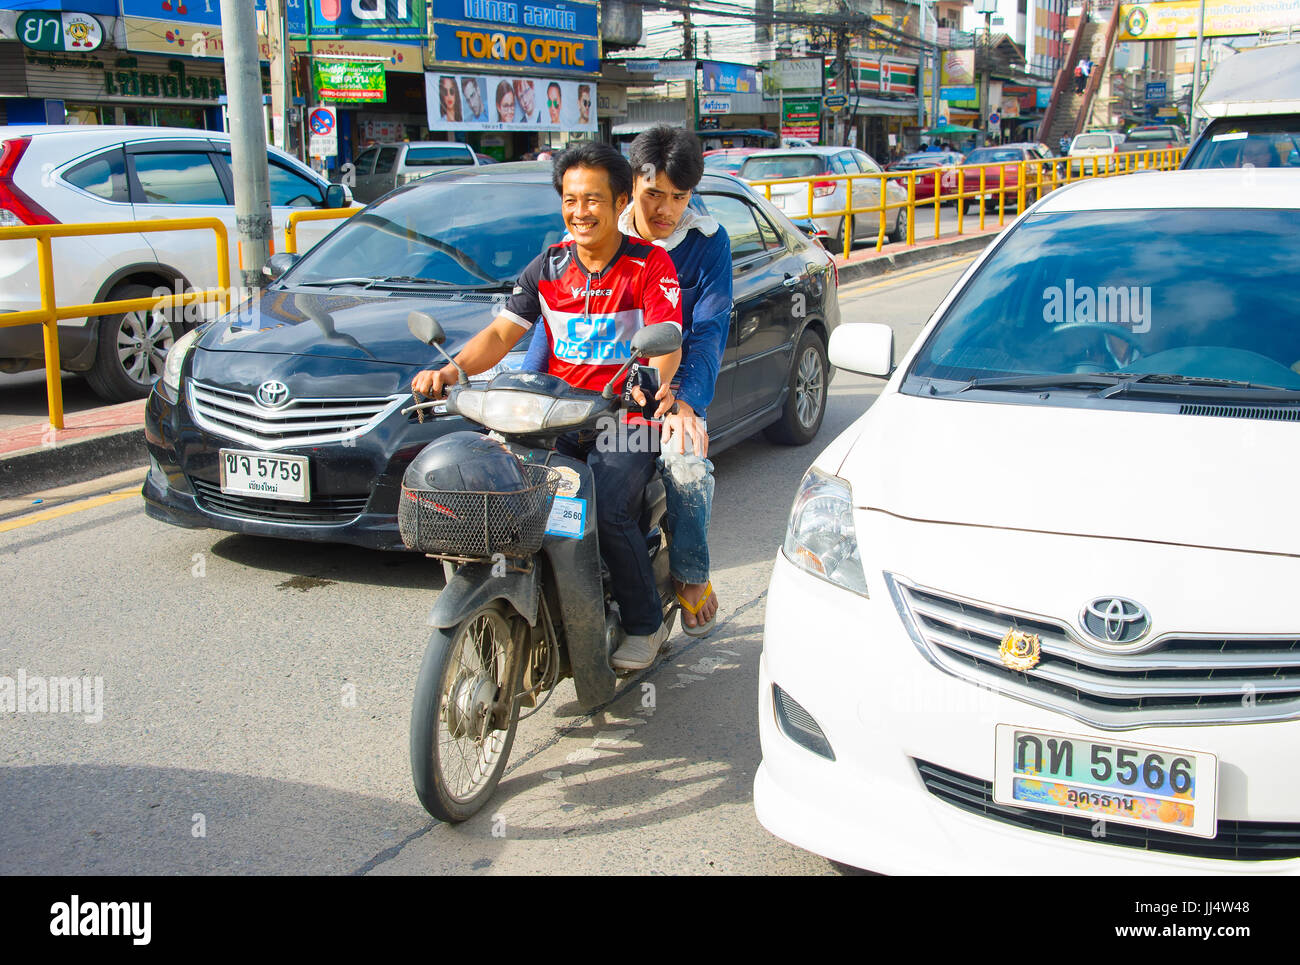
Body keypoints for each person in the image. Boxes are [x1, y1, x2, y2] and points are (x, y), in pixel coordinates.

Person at [411, 142, 684, 670]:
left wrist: (648, 385)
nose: (581, 212)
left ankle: (644, 624)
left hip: (623, 419)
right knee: (506, 495)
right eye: (571, 199)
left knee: (605, 507)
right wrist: (450, 373)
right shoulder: (548, 267)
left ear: (621, 200)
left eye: (594, 200)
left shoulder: (652, 264)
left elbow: (667, 340)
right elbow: (499, 332)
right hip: (555, 415)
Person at [520, 127, 730, 635]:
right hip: (588, 399)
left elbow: (706, 330)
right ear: (629, 187)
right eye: (653, 194)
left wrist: (682, 400)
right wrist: (526, 390)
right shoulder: (589, 233)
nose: (666, 210)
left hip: (661, 390)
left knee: (686, 465)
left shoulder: (705, 242)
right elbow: (556, 322)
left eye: (679, 198)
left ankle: (688, 573)